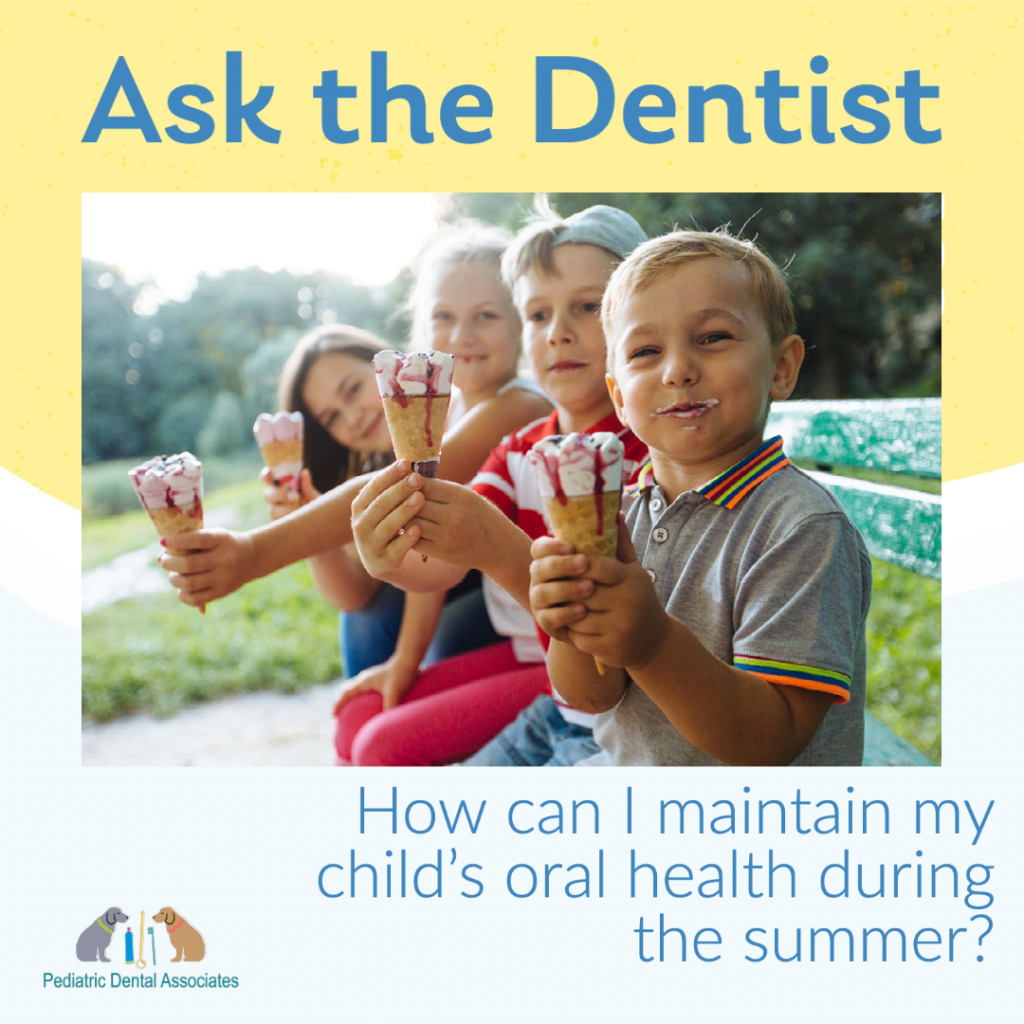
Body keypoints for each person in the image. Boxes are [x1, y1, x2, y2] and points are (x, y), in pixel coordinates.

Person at [528, 229, 871, 766]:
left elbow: (770, 739)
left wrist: (651, 641)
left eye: (712, 338)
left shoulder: (800, 527)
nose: (677, 370)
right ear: (618, 396)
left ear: (781, 367)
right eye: (645, 351)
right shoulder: (621, 514)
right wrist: (569, 620)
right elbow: (592, 695)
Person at [164, 223, 551, 688]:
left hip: (532, 619)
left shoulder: (519, 403)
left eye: (485, 316)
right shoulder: (456, 411)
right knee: (369, 615)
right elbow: (357, 594)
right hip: (474, 592)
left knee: (401, 631)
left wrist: (252, 553)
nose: (461, 335)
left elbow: (417, 491)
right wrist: (311, 523)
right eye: (443, 318)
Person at [348, 203, 649, 765]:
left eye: (587, 307)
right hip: (554, 688)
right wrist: (387, 556)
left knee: (377, 751)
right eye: (537, 315)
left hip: (617, 706)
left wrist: (491, 544)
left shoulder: (653, 452)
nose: (557, 333)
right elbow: (441, 565)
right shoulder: (518, 452)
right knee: (358, 728)